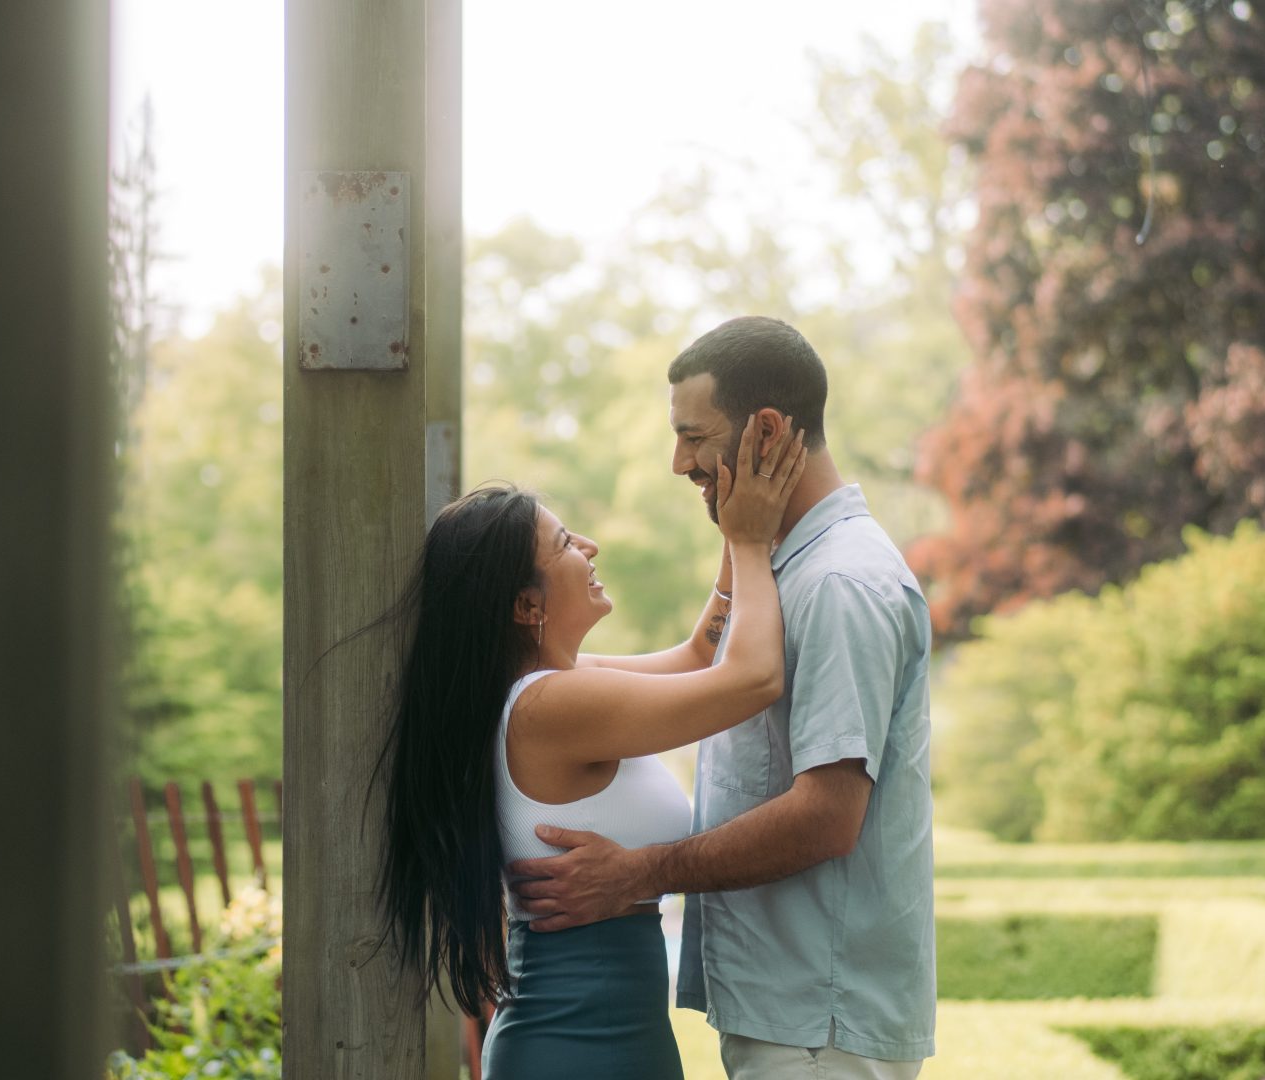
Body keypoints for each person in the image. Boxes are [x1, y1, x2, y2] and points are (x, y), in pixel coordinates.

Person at [509, 316, 936, 1080]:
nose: (678, 462)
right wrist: (746, 543)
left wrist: (639, 873)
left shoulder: (839, 583)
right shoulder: (786, 576)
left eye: (693, 436)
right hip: (788, 1018)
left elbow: (827, 817)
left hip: (820, 1027)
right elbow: (707, 662)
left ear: (766, 431)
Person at [377, 416, 809, 1080]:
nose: (592, 545)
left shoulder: (551, 692)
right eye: (565, 544)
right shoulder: (552, 707)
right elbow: (752, 678)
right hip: (571, 1048)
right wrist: (752, 543)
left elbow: (702, 655)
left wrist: (731, 530)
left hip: (617, 1037)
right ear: (527, 604)